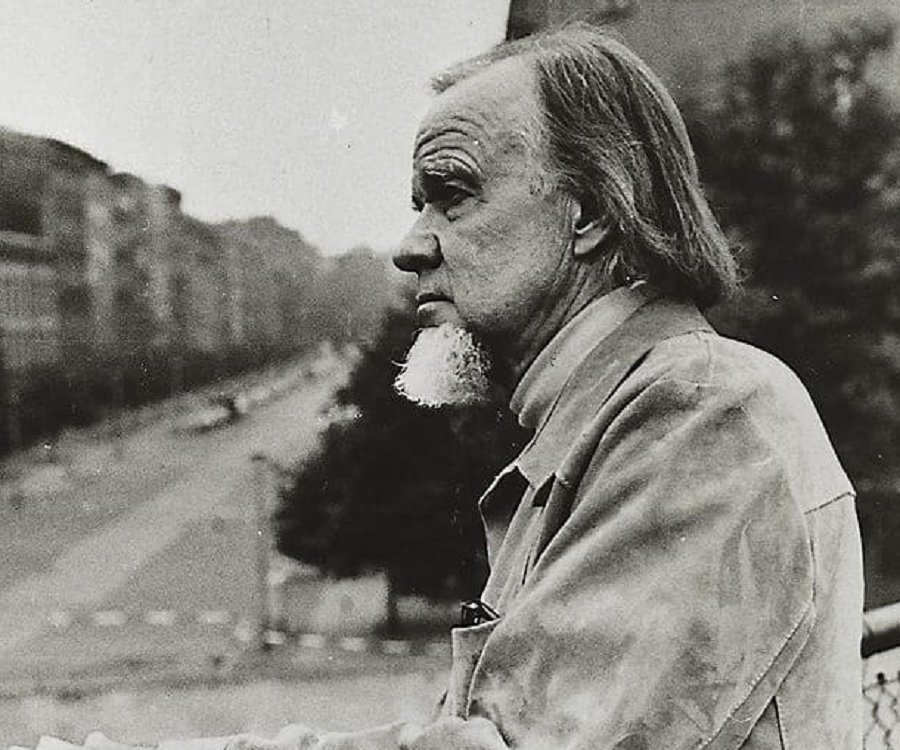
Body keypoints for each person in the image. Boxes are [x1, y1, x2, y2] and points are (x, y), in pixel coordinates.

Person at [93, 23, 864, 750]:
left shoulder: (700, 412)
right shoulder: (621, 416)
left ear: (592, 212)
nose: (410, 246)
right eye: (418, 205)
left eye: (452, 194)